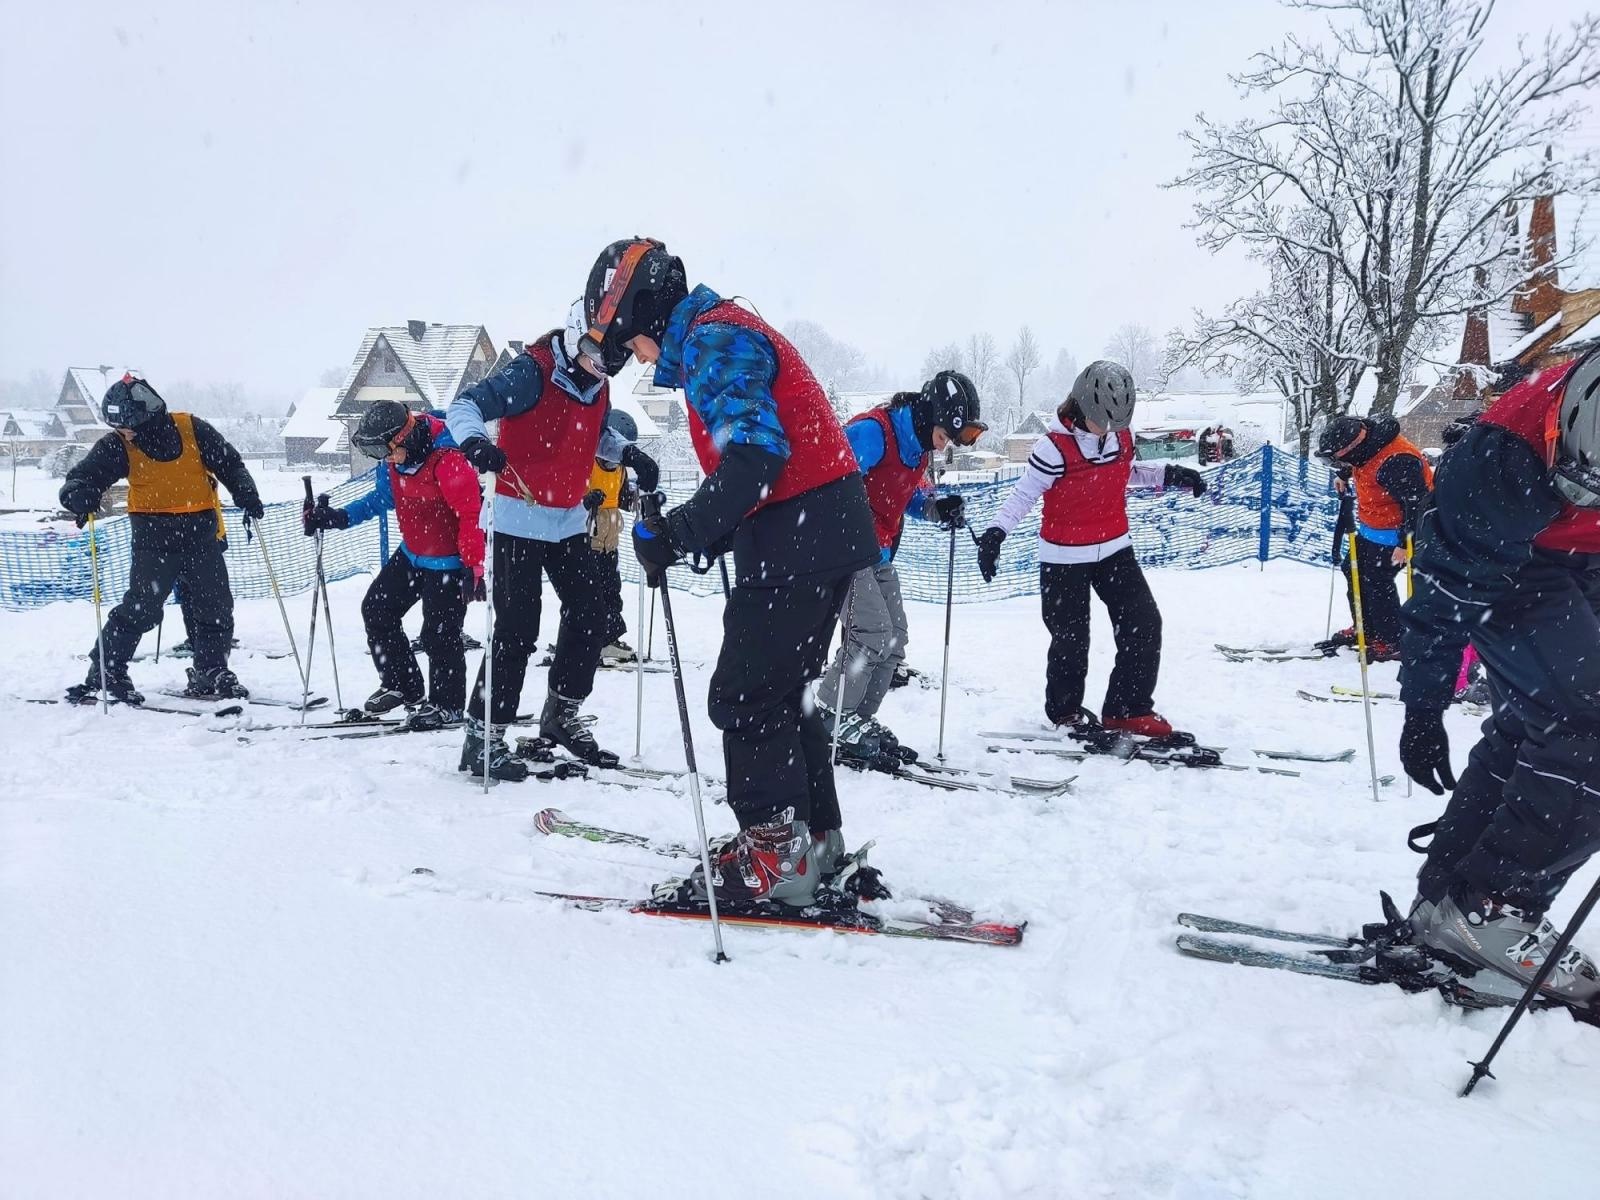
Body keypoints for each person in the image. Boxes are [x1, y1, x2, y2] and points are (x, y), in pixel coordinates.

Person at [581, 237, 877, 906]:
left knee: (744, 696)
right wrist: (716, 531)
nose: (639, 360)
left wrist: (679, 531)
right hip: (814, 525)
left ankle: (774, 858)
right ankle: (814, 841)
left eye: (633, 344)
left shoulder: (715, 339)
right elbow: (758, 463)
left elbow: (754, 457)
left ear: (649, 317)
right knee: (784, 694)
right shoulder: (724, 332)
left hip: (800, 529)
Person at [1397, 350, 1600, 1003]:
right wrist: (1424, 710)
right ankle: (1490, 908)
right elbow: (1443, 594)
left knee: (1535, 724)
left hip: (1587, 558)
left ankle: (1447, 903)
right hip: (1514, 563)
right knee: (1587, 726)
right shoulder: (1497, 459)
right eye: (1574, 480)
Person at [974, 361, 1206, 738]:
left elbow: (1126, 471)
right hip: (1064, 558)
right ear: (1082, 408)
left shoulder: (1119, 437)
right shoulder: (1053, 448)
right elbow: (1024, 494)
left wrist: (1172, 475)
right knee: (1071, 639)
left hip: (1115, 548)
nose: (1111, 432)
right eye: (1104, 422)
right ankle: (1065, 713)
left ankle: (1126, 709)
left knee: (1144, 623)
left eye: (1118, 424)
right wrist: (995, 533)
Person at [445, 302, 618, 780]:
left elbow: (596, 437)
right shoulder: (533, 372)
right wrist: (475, 442)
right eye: (600, 359)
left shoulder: (598, 384)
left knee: (591, 612)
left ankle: (561, 713)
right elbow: (465, 406)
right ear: (579, 338)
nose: (605, 370)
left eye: (613, 363)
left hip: (565, 519)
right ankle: (483, 738)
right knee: (518, 630)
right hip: (518, 519)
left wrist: (630, 454)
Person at [60, 375, 263, 704]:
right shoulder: (119, 444)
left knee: (214, 605)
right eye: (115, 426)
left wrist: (246, 492)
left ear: (144, 416)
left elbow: (229, 462)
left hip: (200, 532)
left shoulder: (192, 429)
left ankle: (209, 671)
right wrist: (78, 494)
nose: (121, 432)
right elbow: (85, 475)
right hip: (153, 536)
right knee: (143, 608)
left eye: (124, 425)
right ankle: (106, 671)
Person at [817, 371, 983, 765]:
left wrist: (936, 506)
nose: (941, 449)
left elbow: (908, 494)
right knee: (870, 631)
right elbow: (827, 479)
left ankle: (855, 719)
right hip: (841, 548)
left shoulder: (918, 448)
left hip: (878, 552)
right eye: (943, 437)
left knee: (894, 639)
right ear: (928, 416)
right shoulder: (875, 432)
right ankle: (828, 717)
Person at [302, 400, 483, 729]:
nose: (385, 459)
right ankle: (403, 686)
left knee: (439, 635)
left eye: (387, 451)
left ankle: (448, 705)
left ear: (405, 437)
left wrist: (474, 567)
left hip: (448, 562)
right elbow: (381, 499)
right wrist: (338, 517)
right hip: (412, 553)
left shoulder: (449, 460)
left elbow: (471, 516)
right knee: (377, 609)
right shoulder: (395, 461)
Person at [1313, 414, 1433, 660]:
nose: (1337, 462)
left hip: (1395, 534)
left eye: (1338, 458)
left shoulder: (1398, 460)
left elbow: (1417, 503)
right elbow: (1359, 461)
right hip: (1371, 526)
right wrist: (1343, 475)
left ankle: (1391, 639)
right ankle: (1366, 628)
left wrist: (1405, 543)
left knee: (1377, 584)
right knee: (1353, 571)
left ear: (1352, 447)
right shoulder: (1366, 445)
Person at [582, 408, 659, 666]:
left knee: (611, 591)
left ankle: (608, 639)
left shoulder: (620, 471)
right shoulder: (587, 464)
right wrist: (586, 500)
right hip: (587, 540)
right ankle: (582, 639)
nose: (616, 462)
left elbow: (624, 498)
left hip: (609, 540)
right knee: (586, 594)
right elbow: (571, 497)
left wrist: (643, 496)